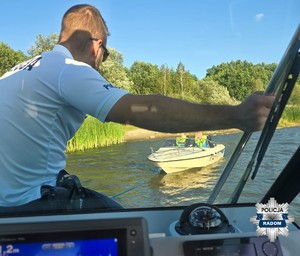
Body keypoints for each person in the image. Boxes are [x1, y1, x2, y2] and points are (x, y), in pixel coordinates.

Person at [0, 4, 274, 212]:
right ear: (97, 45)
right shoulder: (68, 70)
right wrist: (237, 115)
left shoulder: (19, 70)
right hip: (32, 203)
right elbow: (143, 109)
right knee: (127, 222)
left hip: (8, 200)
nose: (102, 62)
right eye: (105, 54)